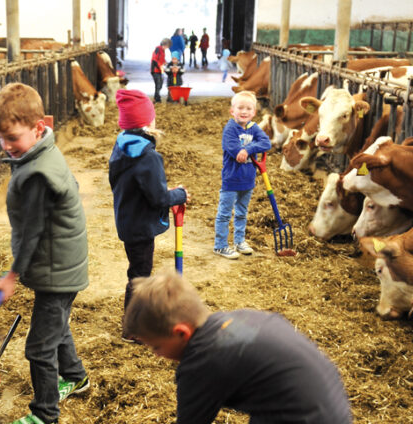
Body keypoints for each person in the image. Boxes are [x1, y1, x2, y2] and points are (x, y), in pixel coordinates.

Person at [0, 82, 89, 424]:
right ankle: (75, 377)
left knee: (39, 348)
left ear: (38, 127)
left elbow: (31, 233)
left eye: (12, 137)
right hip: (60, 262)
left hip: (57, 269)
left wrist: (11, 275)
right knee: (56, 325)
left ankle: (45, 414)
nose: (6, 145)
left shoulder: (38, 174)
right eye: (1, 138)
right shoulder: (42, 152)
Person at [123, 271, 353, 424]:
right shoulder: (242, 318)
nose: (156, 355)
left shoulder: (201, 362)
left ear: (181, 332)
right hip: (334, 411)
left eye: (156, 347)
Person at [108, 89, 189, 342]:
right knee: (140, 275)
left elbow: (140, 186)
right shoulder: (148, 156)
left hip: (127, 219)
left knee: (138, 271)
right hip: (141, 225)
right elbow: (159, 198)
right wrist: (180, 195)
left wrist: (165, 191)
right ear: (147, 121)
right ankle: (132, 329)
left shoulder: (121, 145)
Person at [214, 91, 271, 259]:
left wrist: (248, 149)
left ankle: (239, 241)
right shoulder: (230, 128)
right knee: (225, 213)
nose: (244, 112)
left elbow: (266, 143)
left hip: (248, 179)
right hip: (231, 179)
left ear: (254, 112)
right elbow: (232, 148)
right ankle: (220, 245)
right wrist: (242, 150)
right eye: (240, 108)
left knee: (241, 212)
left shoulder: (254, 128)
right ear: (232, 110)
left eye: (248, 108)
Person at [151, 38, 171, 103]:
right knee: (158, 84)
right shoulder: (158, 49)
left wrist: (166, 63)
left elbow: (162, 59)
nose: (167, 48)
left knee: (160, 84)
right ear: (164, 44)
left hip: (159, 70)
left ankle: (156, 97)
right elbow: (154, 59)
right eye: (167, 46)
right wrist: (160, 66)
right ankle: (157, 99)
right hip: (155, 70)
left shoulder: (162, 50)